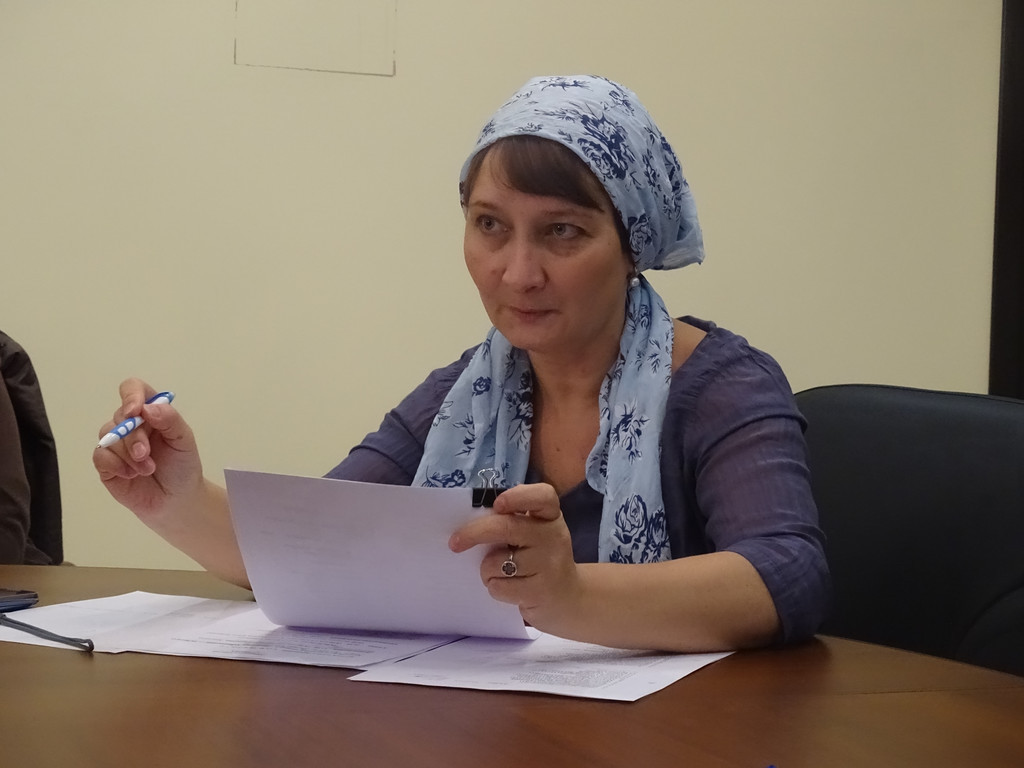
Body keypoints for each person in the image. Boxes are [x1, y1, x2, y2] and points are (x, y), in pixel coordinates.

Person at [93, 75, 829, 653]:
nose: (518, 273)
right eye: (489, 226)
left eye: (563, 232)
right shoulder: (468, 397)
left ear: (631, 245)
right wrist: (177, 500)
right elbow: (320, 546)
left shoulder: (723, 385)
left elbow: (787, 574)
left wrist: (572, 595)